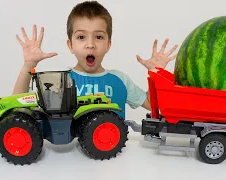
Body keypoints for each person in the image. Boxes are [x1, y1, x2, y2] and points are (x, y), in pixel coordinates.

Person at [12, 1, 178, 120]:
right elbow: (18, 106)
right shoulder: (62, 81)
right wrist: (29, 64)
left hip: (112, 155)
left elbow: (153, 106)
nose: (90, 45)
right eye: (81, 37)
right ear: (70, 45)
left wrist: (157, 74)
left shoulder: (120, 80)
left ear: (108, 44)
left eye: (98, 37)